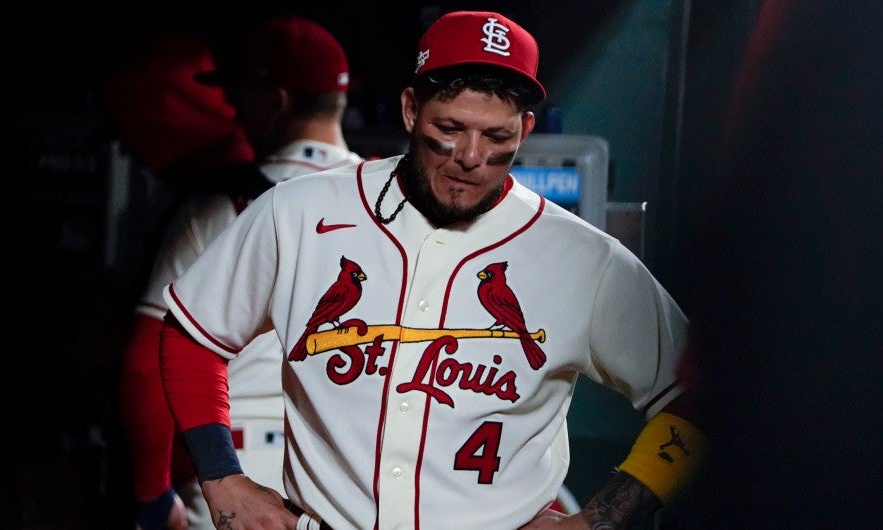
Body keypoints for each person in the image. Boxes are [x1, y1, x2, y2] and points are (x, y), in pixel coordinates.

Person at [156, 10, 707, 530]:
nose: (470, 157)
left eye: (497, 138)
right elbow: (192, 335)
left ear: (527, 128)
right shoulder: (299, 210)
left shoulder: (584, 257)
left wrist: (599, 521)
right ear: (410, 110)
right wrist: (222, 479)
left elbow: (700, 395)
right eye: (451, 128)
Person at [108, 16, 363, 530]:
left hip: (233, 471)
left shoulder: (222, 205)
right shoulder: (389, 207)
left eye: (242, 95)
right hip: (355, 473)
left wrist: (152, 497)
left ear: (277, 101)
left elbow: (146, 364)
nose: (233, 110)